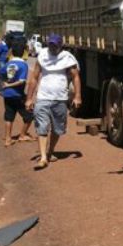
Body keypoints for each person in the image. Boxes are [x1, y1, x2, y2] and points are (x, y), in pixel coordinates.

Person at [25, 34, 82, 170]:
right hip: (43, 97)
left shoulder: (67, 57)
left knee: (58, 128)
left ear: (60, 45)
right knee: (42, 127)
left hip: (60, 98)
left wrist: (77, 96)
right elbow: (34, 77)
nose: (52, 47)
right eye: (50, 44)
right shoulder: (42, 56)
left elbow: (75, 77)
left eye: (55, 45)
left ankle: (50, 151)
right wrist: (29, 99)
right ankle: (43, 158)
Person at [0, 38, 34, 147]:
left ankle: (8, 139)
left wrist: (5, 83)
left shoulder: (9, 64)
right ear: (23, 52)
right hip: (17, 95)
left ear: (12, 52)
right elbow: (21, 81)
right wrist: (10, 84)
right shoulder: (23, 65)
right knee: (29, 116)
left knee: (9, 116)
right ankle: (22, 135)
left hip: (7, 95)